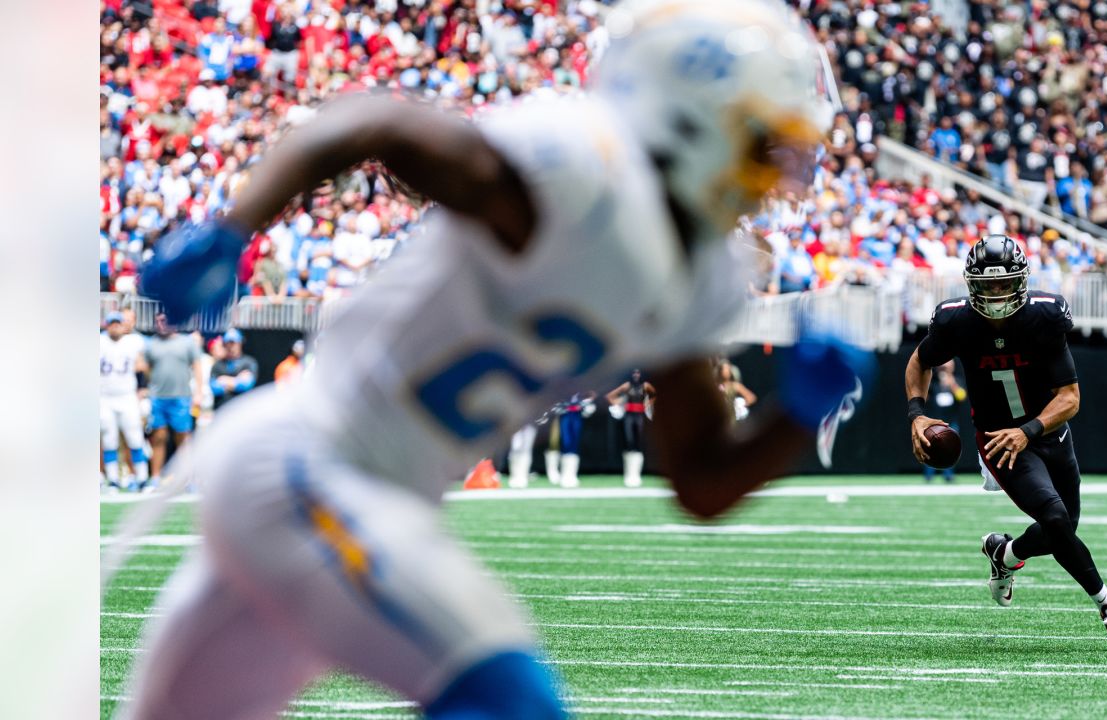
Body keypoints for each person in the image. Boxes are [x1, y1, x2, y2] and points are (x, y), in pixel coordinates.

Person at [126, 2, 866, 718]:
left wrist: (796, 419)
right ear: (692, 118)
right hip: (309, 462)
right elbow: (373, 120)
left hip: (354, 493)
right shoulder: (584, 172)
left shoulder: (702, 274)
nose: (774, 175)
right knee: (508, 700)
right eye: (759, 146)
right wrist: (231, 227)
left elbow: (700, 482)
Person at [904, 235, 1107, 652]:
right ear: (972, 284)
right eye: (988, 285)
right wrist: (917, 413)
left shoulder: (1044, 317)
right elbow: (921, 360)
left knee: (1061, 530)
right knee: (1054, 518)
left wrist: (1029, 429)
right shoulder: (956, 321)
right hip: (999, 440)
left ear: (1021, 281)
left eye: (1004, 284)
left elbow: (1070, 398)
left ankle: (1005, 553)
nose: (996, 294)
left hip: (1049, 433)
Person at [144, 313, 204, 480]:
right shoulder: (151, 344)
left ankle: (188, 479)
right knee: (158, 437)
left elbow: (197, 368)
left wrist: (199, 393)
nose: (161, 324)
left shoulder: (187, 343)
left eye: (164, 320)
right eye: (158, 321)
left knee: (183, 439)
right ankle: (155, 477)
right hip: (158, 398)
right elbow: (147, 369)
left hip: (181, 398)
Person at [100, 312, 150, 491]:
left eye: (117, 323)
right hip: (104, 397)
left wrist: (143, 387)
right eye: (111, 323)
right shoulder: (99, 342)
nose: (115, 327)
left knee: (135, 438)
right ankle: (112, 479)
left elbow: (144, 363)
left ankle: (142, 478)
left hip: (127, 396)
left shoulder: (134, 342)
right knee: (109, 439)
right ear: (106, 325)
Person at [607, 369, 657, 487]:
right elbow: (610, 396)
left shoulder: (645, 385)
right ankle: (628, 475)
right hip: (629, 415)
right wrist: (618, 402)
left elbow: (654, 394)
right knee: (629, 442)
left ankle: (636, 475)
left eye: (638, 373)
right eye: (634, 373)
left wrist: (648, 403)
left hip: (639, 415)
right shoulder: (627, 385)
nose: (636, 375)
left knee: (638, 443)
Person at [920, 359, 965, 484]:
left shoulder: (957, 380)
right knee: (929, 448)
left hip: (950, 422)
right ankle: (928, 475)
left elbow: (962, 397)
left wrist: (951, 383)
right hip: (933, 422)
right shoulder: (933, 382)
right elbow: (924, 397)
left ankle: (948, 475)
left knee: (950, 449)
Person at [555, 392, 596, 489]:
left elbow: (590, 396)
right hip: (565, 414)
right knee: (566, 442)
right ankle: (565, 474)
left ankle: (572, 474)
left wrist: (587, 404)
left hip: (576, 415)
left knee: (575, 443)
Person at [208, 328, 257, 410]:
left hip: (242, 411)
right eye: (228, 343)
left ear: (240, 343)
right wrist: (237, 380)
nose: (231, 347)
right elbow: (214, 388)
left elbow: (246, 385)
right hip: (221, 410)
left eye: (233, 343)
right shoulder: (217, 365)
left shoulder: (249, 362)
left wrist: (224, 380)